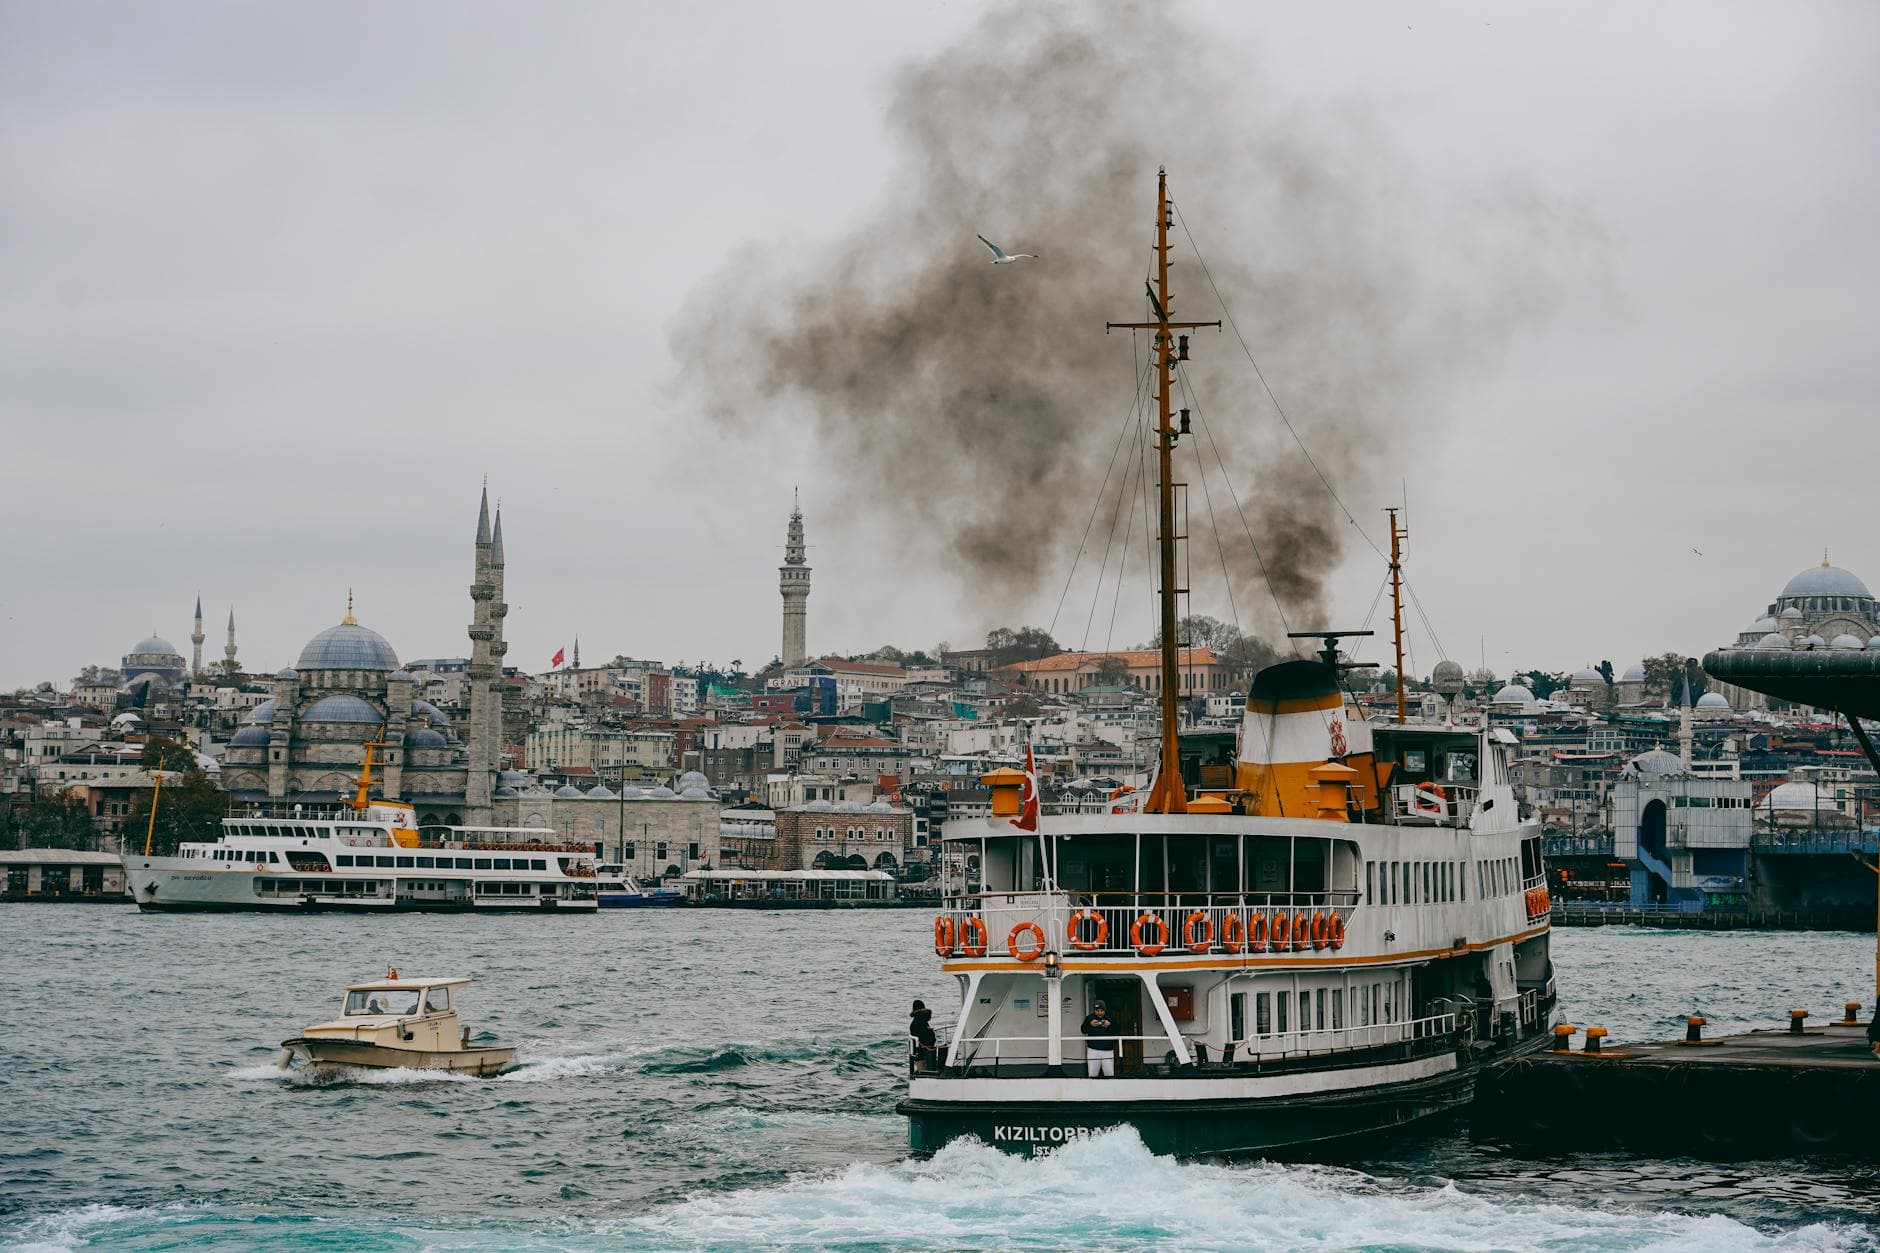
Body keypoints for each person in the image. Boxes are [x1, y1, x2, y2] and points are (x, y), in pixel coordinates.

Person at [1082, 1000, 1118, 1077]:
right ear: (1094, 1010)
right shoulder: (1089, 1018)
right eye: (1097, 1011)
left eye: (1102, 1011)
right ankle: (1092, 1088)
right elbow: (1083, 1030)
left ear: (1105, 1010)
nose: (1099, 1013)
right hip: (1093, 1050)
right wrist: (1090, 1025)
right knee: (1092, 1074)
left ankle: (1109, 1089)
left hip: (1108, 1050)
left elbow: (1117, 1030)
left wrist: (1110, 1025)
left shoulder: (1111, 1018)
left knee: (1109, 1073)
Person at [909, 999, 938, 1071]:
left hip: (921, 1049)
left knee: (923, 1069)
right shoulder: (922, 1022)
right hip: (923, 1048)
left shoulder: (917, 1022)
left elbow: (917, 1035)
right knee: (924, 1068)